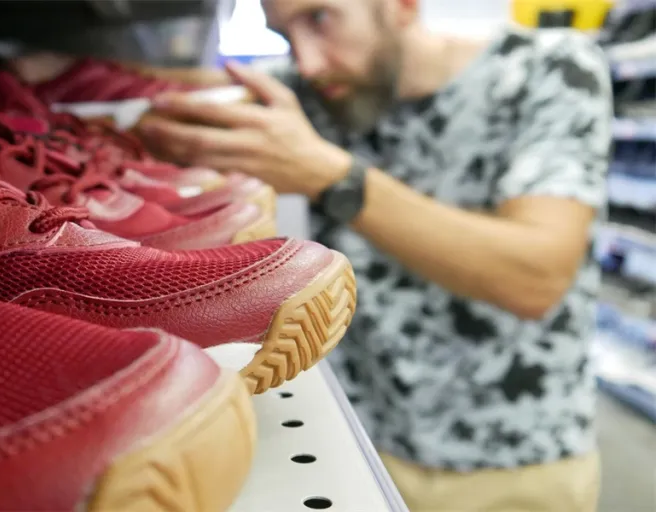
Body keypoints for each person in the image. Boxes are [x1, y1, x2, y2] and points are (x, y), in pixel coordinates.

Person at [65, 0, 610, 510]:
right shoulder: (323, 87)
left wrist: (331, 176)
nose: (307, 60)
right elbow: (184, 88)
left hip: (510, 467)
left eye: (321, 18)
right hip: (359, 436)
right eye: (284, 35)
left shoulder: (550, 70)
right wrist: (53, 72)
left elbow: (536, 278)